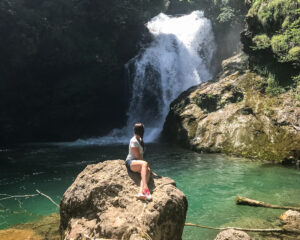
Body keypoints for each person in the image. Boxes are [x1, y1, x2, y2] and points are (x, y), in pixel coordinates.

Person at [125, 123, 152, 200]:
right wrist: (146, 165)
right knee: (145, 165)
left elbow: (140, 158)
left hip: (138, 163)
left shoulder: (139, 139)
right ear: (142, 131)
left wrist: (146, 166)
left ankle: (140, 192)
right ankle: (146, 189)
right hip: (130, 162)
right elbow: (137, 157)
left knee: (148, 170)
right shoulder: (133, 141)